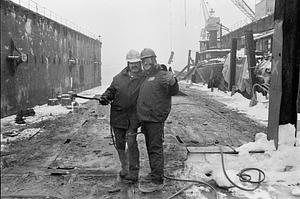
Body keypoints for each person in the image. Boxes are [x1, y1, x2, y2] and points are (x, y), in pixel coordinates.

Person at [137, 48, 179, 193]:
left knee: (155, 149)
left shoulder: (162, 75)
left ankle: (157, 180)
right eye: (143, 60)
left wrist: (173, 82)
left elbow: (173, 90)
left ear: (154, 59)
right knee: (150, 148)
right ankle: (155, 173)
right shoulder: (146, 77)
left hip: (155, 119)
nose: (145, 62)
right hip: (146, 119)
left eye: (148, 59)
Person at [100, 49, 145, 183]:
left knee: (131, 144)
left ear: (140, 62)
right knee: (119, 145)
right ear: (128, 63)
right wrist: (105, 97)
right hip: (118, 117)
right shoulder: (118, 78)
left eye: (136, 63)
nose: (134, 65)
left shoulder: (144, 78)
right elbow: (111, 91)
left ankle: (134, 171)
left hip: (133, 118)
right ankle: (124, 167)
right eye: (132, 63)